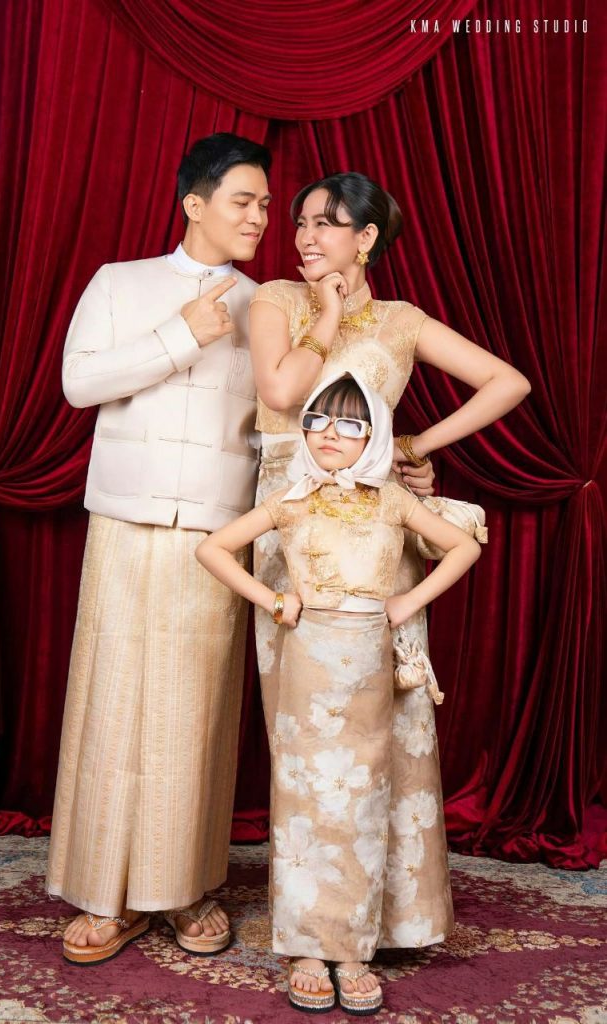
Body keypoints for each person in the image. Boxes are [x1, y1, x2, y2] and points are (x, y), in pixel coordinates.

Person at [248, 172, 530, 963]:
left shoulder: (402, 321)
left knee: (392, 721)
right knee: (304, 730)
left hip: (377, 534)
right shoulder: (275, 301)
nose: (306, 237)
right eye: (301, 222)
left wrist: (413, 446)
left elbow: (508, 382)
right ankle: (315, 930)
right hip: (291, 528)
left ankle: (396, 917)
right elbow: (280, 388)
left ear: (367, 238)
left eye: (327, 224)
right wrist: (328, 312)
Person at [45, 133, 272, 964]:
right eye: (243, 201)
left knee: (193, 715)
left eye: (265, 205)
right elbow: (79, 384)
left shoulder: (266, 305)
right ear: (194, 204)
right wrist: (180, 334)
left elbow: (280, 425)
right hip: (122, 522)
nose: (259, 217)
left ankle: (184, 890)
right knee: (110, 705)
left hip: (215, 536)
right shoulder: (120, 282)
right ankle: (102, 896)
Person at [196, 371, 482, 1014]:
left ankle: (352, 950)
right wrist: (275, 600)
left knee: (364, 800)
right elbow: (214, 549)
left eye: (349, 424)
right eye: (317, 421)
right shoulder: (291, 500)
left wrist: (407, 601)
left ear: (374, 436)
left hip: (370, 666)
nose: (329, 434)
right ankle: (304, 947)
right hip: (306, 666)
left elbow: (462, 546)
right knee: (303, 801)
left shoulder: (392, 501)